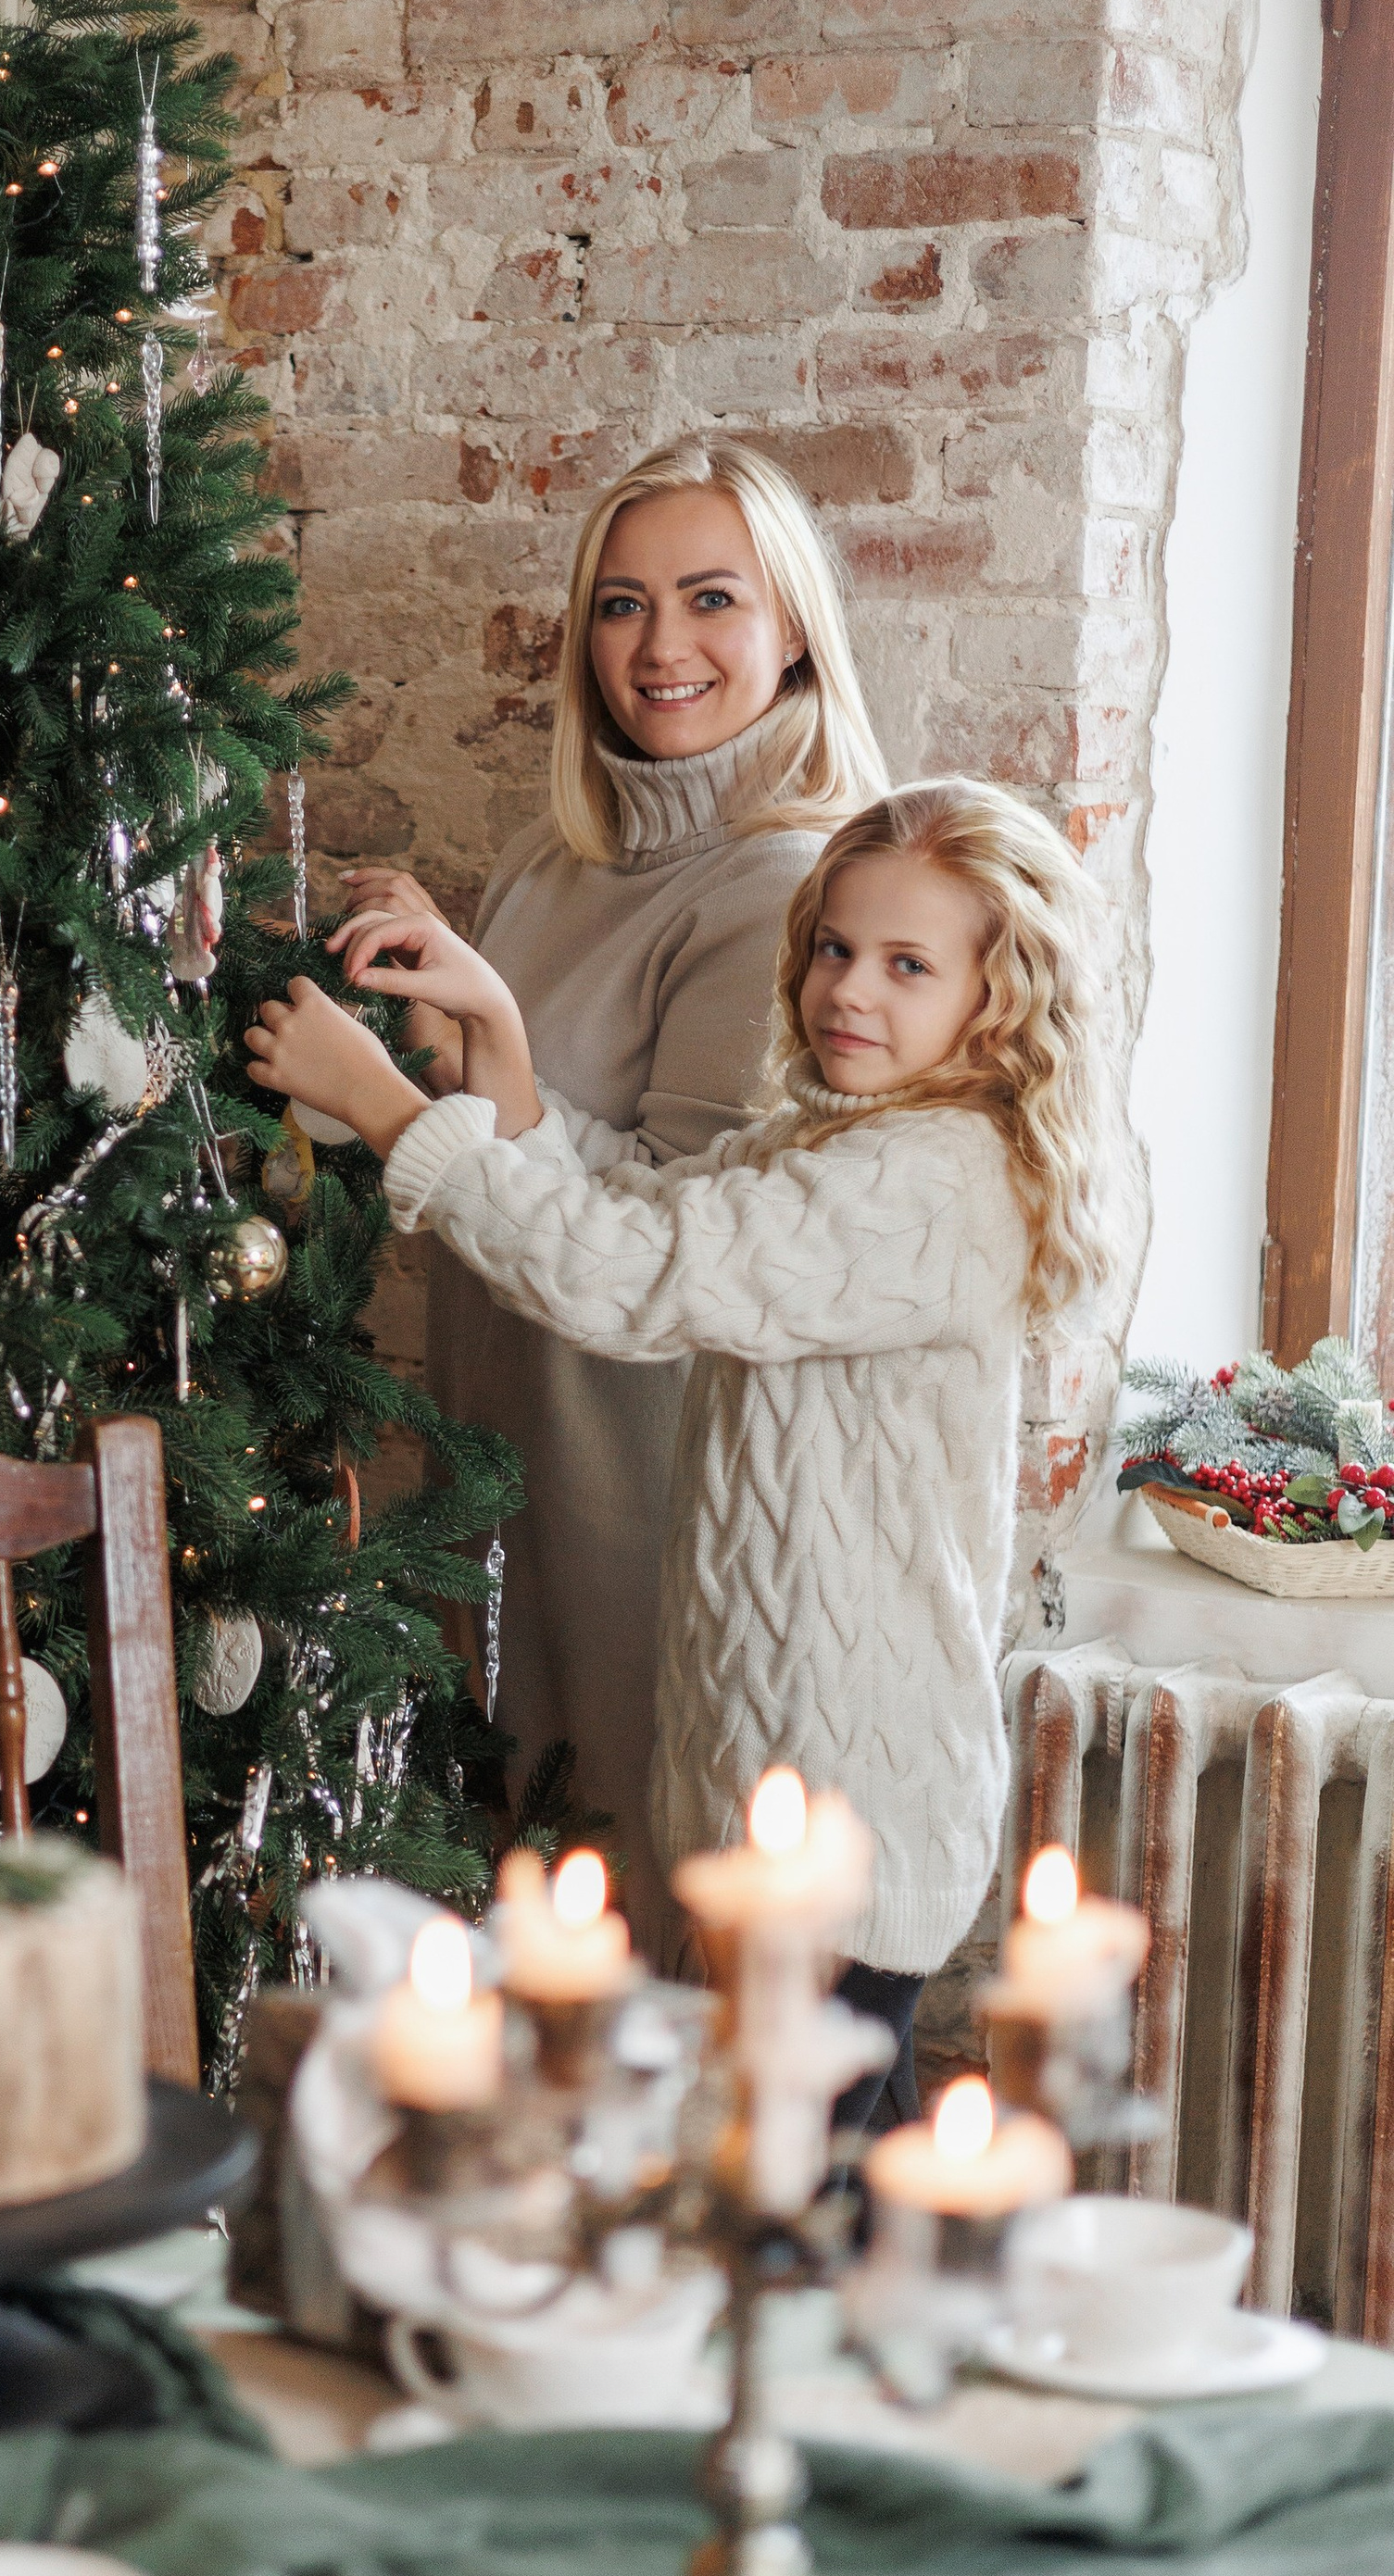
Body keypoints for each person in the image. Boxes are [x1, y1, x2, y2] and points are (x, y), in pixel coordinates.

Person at [246, 781, 1120, 2129]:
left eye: (907, 966)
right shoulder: (846, 1141)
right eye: (834, 946)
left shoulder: (932, 1181)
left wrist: (384, 1112)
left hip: (847, 1799)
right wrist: (498, 1045)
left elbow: (631, 1281)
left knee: (808, 2186)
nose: (849, 992)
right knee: (809, 2169)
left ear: (999, 1003)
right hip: (773, 1768)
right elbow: (650, 1207)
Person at [339, 438, 886, 1957]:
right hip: (500, 1447)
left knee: (645, 1955)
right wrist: (447, 1011)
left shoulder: (784, 890)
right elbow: (509, 1133)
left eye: (712, 599)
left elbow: (667, 1239)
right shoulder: (550, 858)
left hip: (641, 1491)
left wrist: (460, 1070)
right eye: (621, 605)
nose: (660, 648)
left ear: (791, 628)